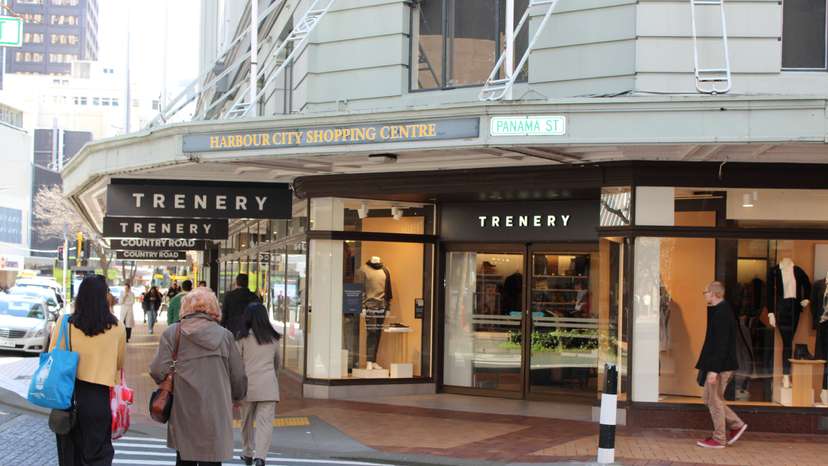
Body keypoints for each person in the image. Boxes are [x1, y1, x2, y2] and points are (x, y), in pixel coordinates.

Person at [150, 287, 247, 466]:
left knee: (185, 457)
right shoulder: (225, 337)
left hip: (183, 409)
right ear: (214, 309)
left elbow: (157, 370)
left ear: (185, 307)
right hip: (215, 410)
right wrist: (237, 396)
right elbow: (238, 375)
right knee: (212, 458)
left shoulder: (173, 333)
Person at [50, 275, 126, 466]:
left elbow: (53, 356)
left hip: (68, 397)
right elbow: (119, 363)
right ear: (104, 297)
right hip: (98, 399)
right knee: (98, 455)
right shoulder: (117, 327)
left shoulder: (65, 323)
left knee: (69, 456)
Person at [695, 281, 748, 449]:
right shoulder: (719, 310)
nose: (704, 294)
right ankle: (736, 425)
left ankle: (719, 438)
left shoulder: (723, 313)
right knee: (710, 398)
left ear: (713, 293)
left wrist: (714, 370)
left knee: (714, 401)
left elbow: (722, 344)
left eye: (705, 291)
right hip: (718, 365)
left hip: (720, 366)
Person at [236, 303, 281, 466]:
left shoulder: (242, 338)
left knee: (246, 421)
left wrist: (235, 389)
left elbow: (237, 366)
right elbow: (277, 365)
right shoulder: (274, 338)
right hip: (268, 386)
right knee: (265, 423)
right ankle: (260, 457)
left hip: (247, 386)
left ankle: (247, 452)